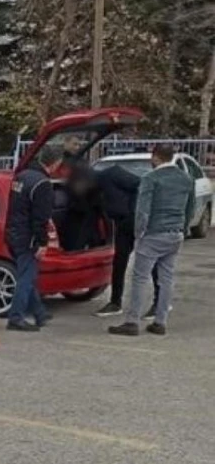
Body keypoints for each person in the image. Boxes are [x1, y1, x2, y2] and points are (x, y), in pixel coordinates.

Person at [110, 144, 194, 336]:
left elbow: (143, 209)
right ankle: (160, 321)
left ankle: (132, 321)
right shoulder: (185, 179)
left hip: (154, 233)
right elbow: (190, 207)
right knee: (166, 278)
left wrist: (139, 233)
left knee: (140, 278)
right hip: (175, 233)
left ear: (155, 157)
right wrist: (184, 228)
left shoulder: (151, 178)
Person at [5, 145, 65, 332]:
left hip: (12, 233)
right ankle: (16, 318)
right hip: (28, 237)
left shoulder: (22, 176)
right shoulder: (42, 184)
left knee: (27, 274)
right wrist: (42, 243)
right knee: (26, 277)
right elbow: (41, 218)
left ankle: (39, 313)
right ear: (55, 163)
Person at [93, 163, 142, 317]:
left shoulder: (113, 174)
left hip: (134, 221)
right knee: (119, 262)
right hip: (123, 224)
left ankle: (159, 302)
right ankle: (115, 302)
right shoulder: (96, 189)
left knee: (149, 262)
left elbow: (139, 185)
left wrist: (132, 212)